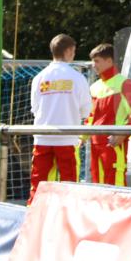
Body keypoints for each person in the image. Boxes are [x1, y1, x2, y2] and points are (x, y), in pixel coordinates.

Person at [27, 34, 92, 204]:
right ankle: (66, 220)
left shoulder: (39, 77)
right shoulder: (77, 77)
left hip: (42, 137)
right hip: (67, 138)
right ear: (69, 51)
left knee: (38, 185)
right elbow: (86, 110)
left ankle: (34, 218)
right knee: (69, 185)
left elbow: (34, 108)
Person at [87, 43, 131, 186]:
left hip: (113, 144)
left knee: (115, 184)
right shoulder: (94, 87)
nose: (93, 65)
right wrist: (81, 137)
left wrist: (122, 135)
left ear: (109, 61)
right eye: (93, 61)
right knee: (97, 184)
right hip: (95, 143)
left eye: (97, 61)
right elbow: (90, 116)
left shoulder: (125, 83)